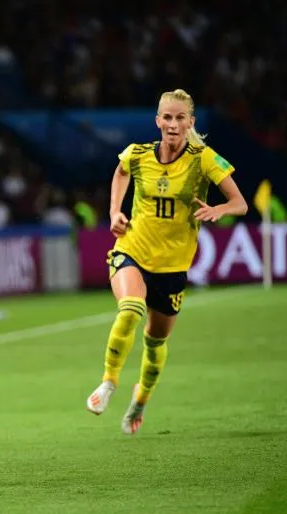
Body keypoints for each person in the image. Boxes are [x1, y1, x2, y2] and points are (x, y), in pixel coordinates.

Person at [85, 89, 248, 434]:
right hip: (133, 249)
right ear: (158, 120)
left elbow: (240, 203)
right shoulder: (138, 153)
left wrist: (219, 209)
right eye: (168, 117)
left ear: (190, 122)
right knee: (130, 308)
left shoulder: (204, 159)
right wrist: (115, 212)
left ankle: (140, 400)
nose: (173, 124)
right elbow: (121, 172)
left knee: (156, 340)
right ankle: (108, 382)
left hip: (173, 267)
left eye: (180, 118)